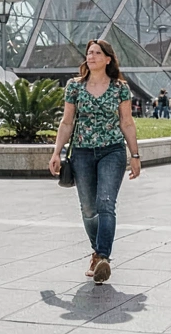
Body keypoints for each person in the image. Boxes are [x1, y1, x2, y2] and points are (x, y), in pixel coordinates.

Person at [49, 40, 141, 284]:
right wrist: (56, 152)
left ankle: (103, 257)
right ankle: (97, 253)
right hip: (81, 153)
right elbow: (67, 122)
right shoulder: (74, 87)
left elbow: (127, 122)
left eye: (97, 53)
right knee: (89, 209)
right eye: (89, 53)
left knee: (105, 203)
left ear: (108, 58)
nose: (91, 56)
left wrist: (135, 155)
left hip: (112, 151)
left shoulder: (120, 87)